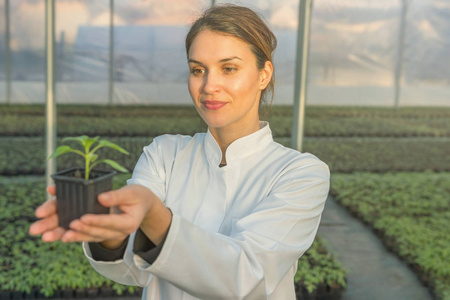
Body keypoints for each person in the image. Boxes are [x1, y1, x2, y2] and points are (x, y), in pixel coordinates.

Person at [30, 4, 329, 299]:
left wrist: (153, 213)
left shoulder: (300, 173)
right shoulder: (165, 154)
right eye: (198, 70)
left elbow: (246, 274)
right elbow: (134, 270)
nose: (210, 85)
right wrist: (108, 230)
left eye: (229, 68)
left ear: (263, 75)